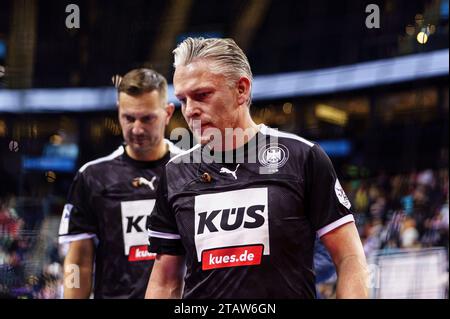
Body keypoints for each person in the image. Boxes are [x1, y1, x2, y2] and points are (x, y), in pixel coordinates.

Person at [146, 37, 369, 299]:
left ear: (241, 90)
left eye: (202, 95)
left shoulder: (302, 157)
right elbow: (164, 282)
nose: (191, 110)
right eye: (183, 100)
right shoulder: (175, 173)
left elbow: (350, 258)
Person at [59, 68, 180, 298]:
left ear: (168, 112)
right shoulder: (92, 176)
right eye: (129, 117)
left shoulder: (188, 171)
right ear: (118, 113)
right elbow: (78, 261)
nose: (136, 128)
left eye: (147, 118)